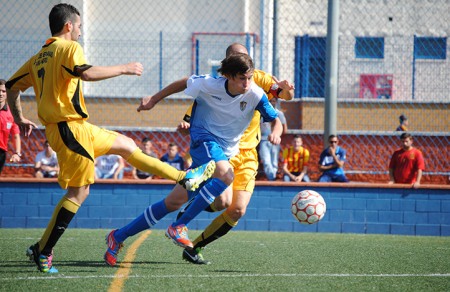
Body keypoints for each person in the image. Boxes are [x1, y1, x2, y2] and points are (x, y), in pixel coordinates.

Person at [5, 3, 214, 274]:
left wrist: (20, 118)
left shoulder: (38, 57)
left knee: (127, 146)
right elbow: (87, 72)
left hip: (77, 127)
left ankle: (184, 178)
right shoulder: (68, 47)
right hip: (69, 129)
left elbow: (11, 87)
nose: (80, 31)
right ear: (68, 26)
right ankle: (43, 250)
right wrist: (125, 68)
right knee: (79, 192)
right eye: (78, 26)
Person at [103, 43, 293, 267]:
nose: (247, 83)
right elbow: (183, 82)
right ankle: (179, 226)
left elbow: (276, 118)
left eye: (249, 77)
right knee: (225, 175)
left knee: (177, 202)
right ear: (228, 75)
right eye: (243, 78)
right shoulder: (209, 84)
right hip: (204, 141)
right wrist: (154, 99)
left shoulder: (256, 93)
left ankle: (118, 236)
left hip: (228, 152)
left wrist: (277, 133)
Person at [259, 97, 288, 180]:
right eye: (270, 101)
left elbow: (284, 128)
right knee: (266, 161)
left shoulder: (279, 113)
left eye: (274, 101)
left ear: (276, 102)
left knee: (274, 161)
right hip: (264, 139)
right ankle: (272, 178)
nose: (272, 102)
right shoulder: (261, 112)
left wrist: (277, 134)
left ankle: (273, 178)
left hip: (275, 140)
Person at [0, 79, 21, 173]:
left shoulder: (11, 114)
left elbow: (16, 135)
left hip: (1, 152)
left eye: (3, 91)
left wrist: (17, 153)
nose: (1, 94)